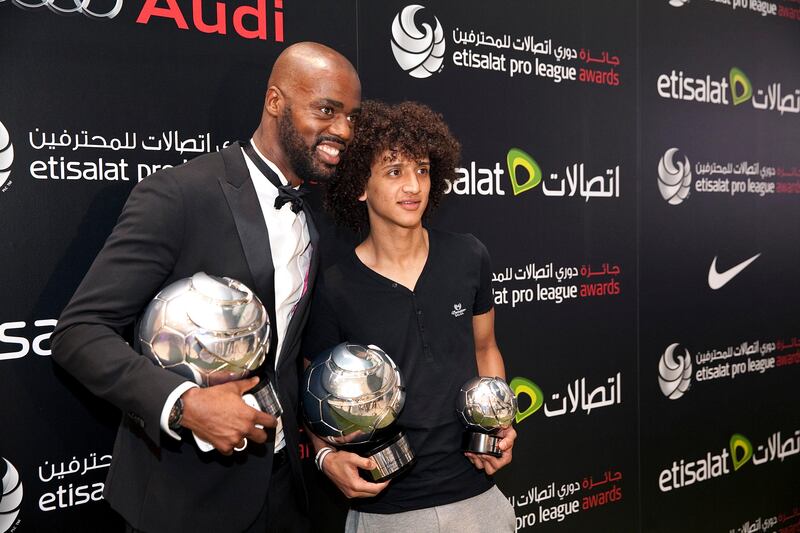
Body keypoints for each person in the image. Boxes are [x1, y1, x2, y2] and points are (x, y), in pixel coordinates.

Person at [50, 42, 361, 533]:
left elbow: (284, 354)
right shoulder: (179, 194)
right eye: (326, 110)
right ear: (275, 101)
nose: (343, 131)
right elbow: (78, 333)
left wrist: (322, 453)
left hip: (282, 490)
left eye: (351, 117)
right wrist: (185, 405)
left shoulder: (312, 219)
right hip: (184, 499)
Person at [302, 101, 517, 532]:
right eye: (394, 171)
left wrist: (501, 421)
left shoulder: (468, 256)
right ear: (360, 186)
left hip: (477, 496)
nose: (413, 185)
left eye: (422, 169)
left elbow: (485, 347)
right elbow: (313, 390)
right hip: (388, 511)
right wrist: (325, 456)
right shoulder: (335, 286)